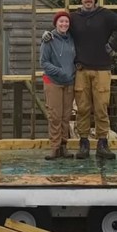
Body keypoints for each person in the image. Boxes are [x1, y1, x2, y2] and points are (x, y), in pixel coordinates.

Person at [44, 0, 117, 159]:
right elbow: (61, 29)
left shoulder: (106, 15)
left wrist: (113, 45)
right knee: (83, 109)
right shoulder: (74, 18)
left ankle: (102, 144)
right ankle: (83, 143)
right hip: (81, 70)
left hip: (102, 70)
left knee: (101, 108)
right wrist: (47, 35)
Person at [40, 10, 76, 160]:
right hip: (53, 82)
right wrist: (60, 71)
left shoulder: (72, 39)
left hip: (69, 83)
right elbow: (44, 62)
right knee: (55, 116)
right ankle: (54, 148)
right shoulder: (48, 40)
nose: (64, 24)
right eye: (61, 21)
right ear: (56, 23)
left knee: (65, 116)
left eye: (66, 21)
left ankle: (63, 146)